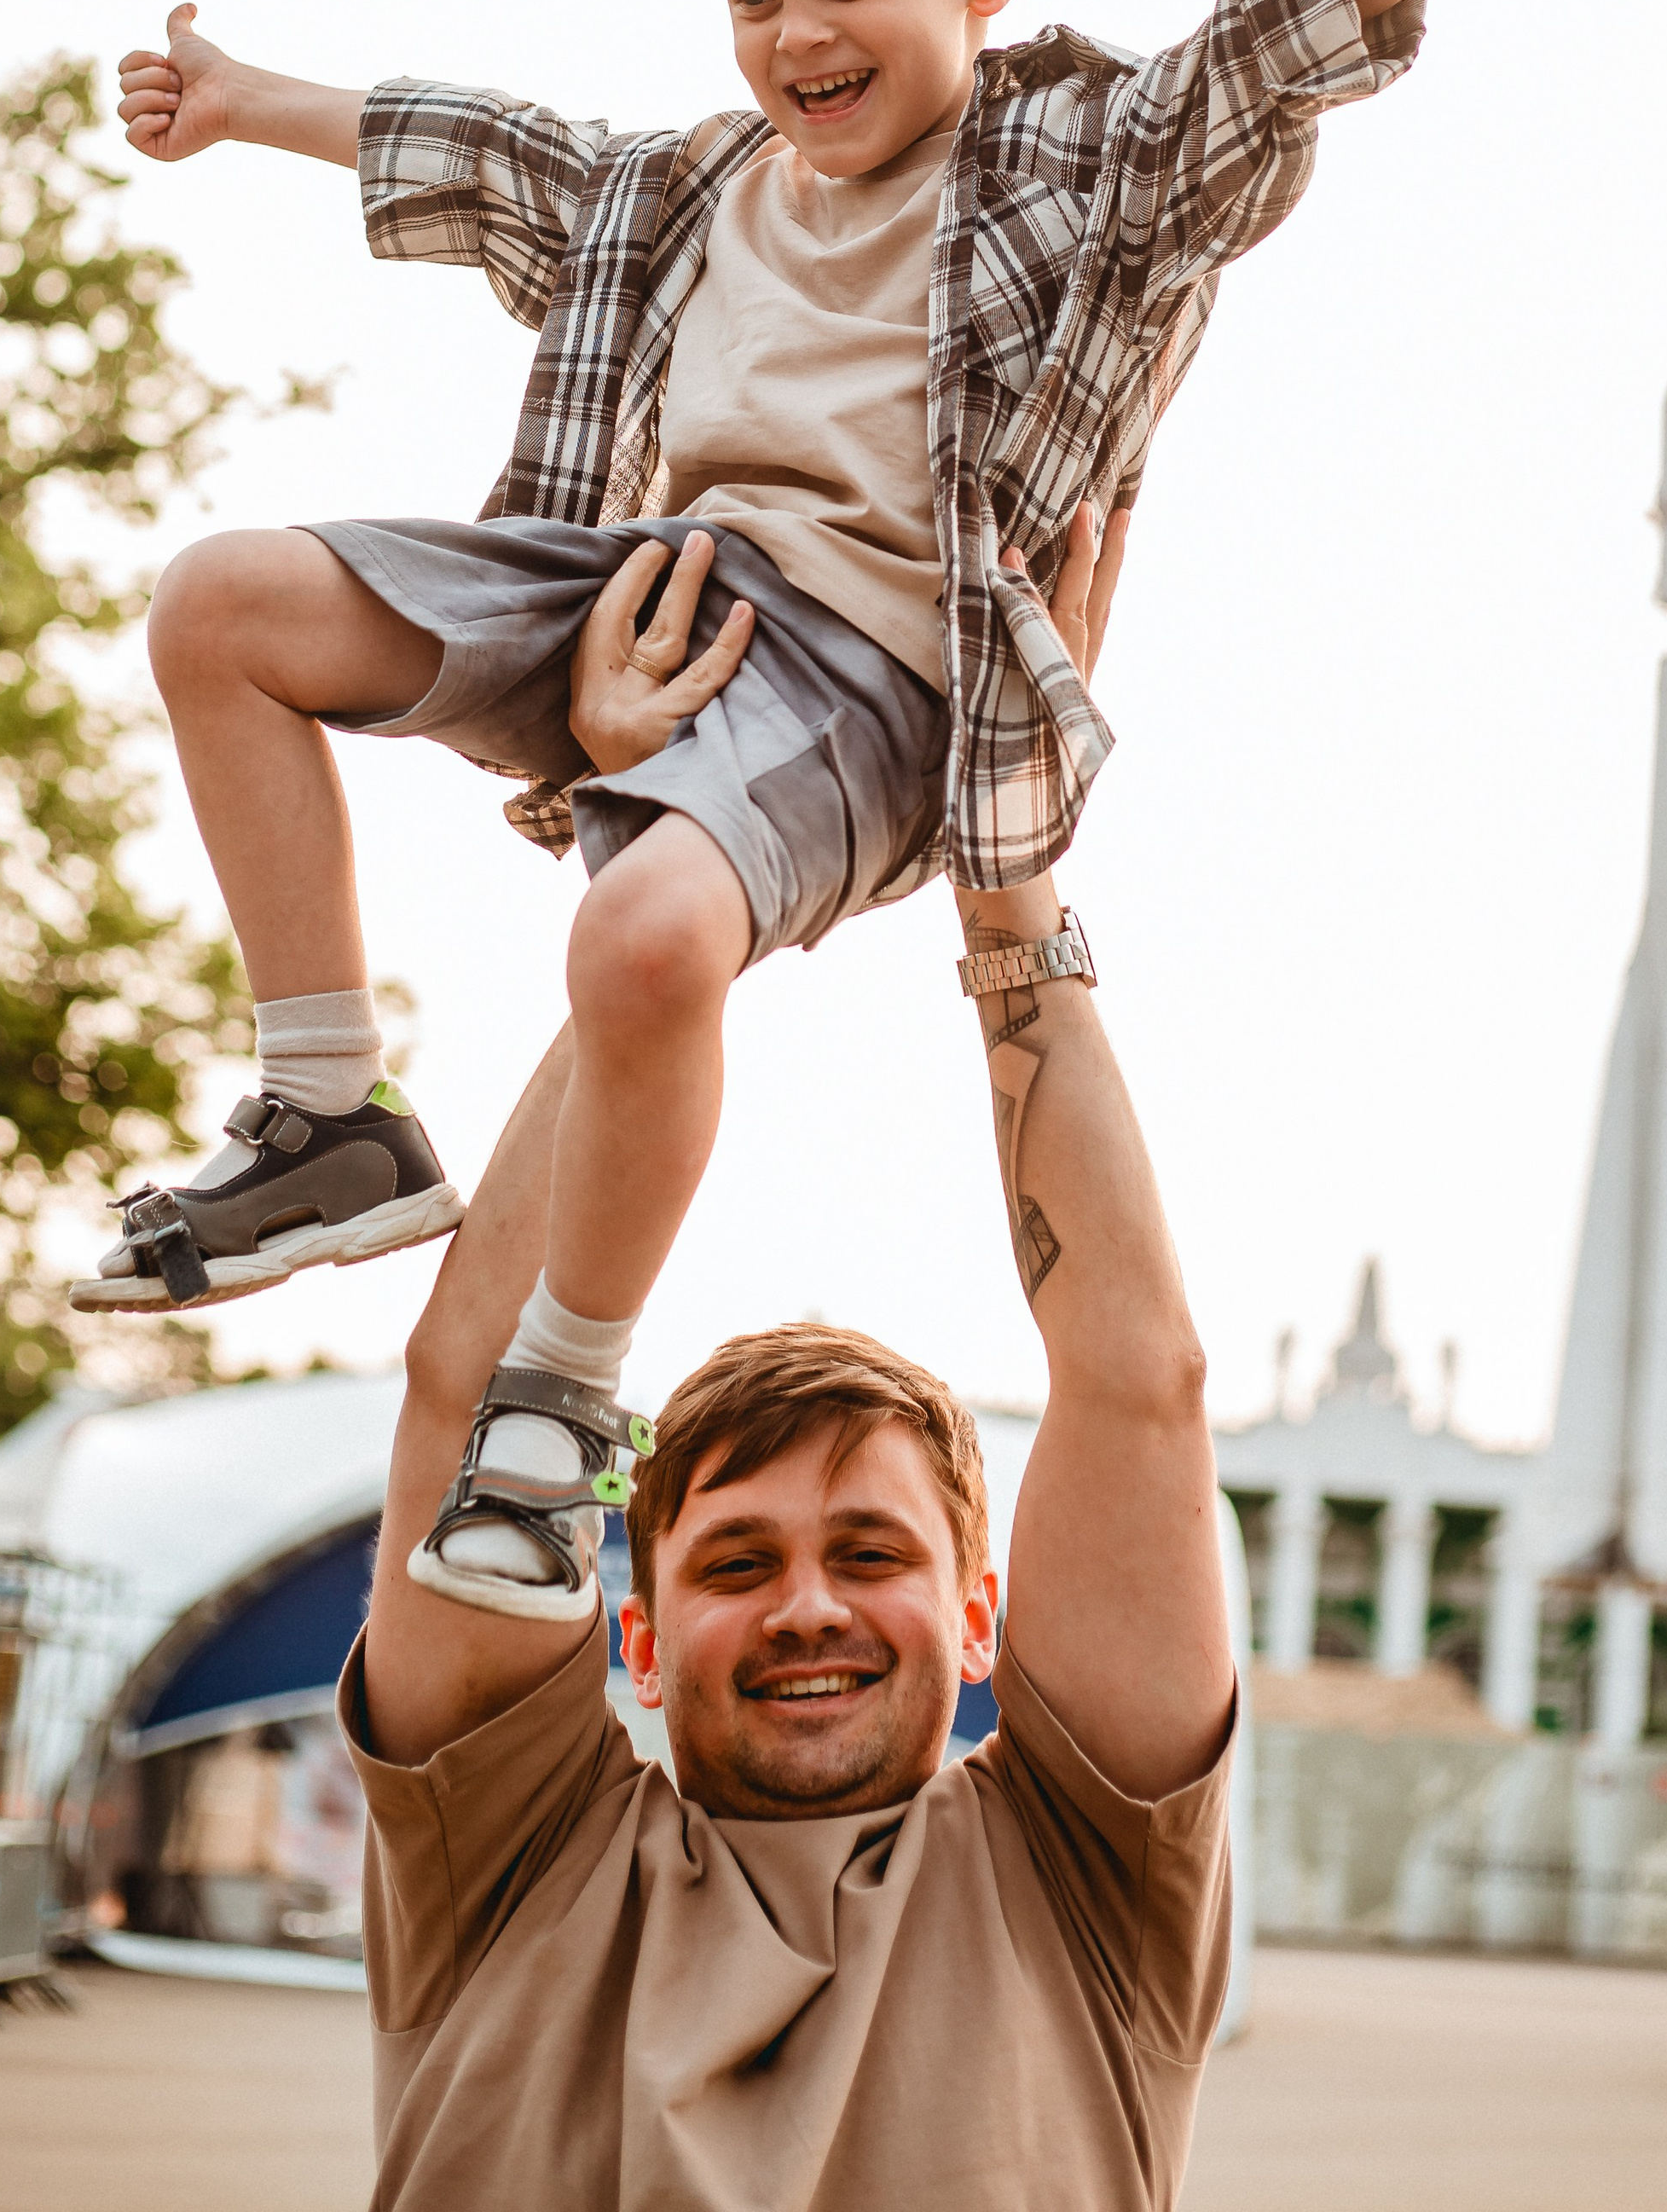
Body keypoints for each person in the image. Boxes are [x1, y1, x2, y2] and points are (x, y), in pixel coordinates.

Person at [76, 0, 1667, 1635]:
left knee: (643, 941)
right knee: (220, 604)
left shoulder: (1070, 173)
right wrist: (241, 99)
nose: (794, 35)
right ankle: (328, 1109)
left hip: (872, 674)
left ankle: (562, 1399)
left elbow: (1269, 36)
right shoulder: (690, 194)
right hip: (642, 591)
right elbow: (493, 155)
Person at [349, 517, 1240, 2209]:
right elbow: (472, 1387)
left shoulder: (1087, 1883)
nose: (809, 1606)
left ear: (979, 1618)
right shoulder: (507, 1858)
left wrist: (1002, 848)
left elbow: (1140, 1383)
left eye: (874, 1552)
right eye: (737, 1562)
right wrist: (677, 862)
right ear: (638, 1634)